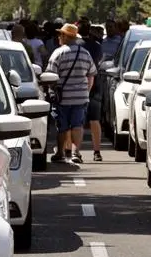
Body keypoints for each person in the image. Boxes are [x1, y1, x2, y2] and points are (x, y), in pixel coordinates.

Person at [46, 23, 97, 164]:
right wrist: (86, 91)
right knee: (77, 125)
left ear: (65, 36)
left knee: (62, 126)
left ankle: (60, 153)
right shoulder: (85, 54)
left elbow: (50, 75)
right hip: (81, 97)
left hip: (62, 98)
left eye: (60, 34)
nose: (58, 37)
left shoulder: (58, 53)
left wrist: (52, 90)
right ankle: (76, 152)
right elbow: (91, 75)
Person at [78, 20, 104, 161]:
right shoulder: (97, 46)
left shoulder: (77, 46)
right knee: (95, 119)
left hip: (79, 84)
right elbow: (98, 62)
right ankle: (97, 152)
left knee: (78, 120)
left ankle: (76, 152)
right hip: (95, 83)